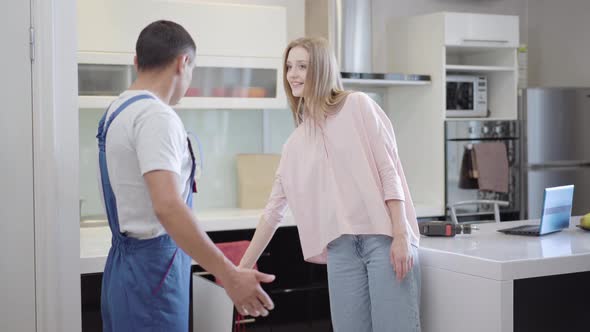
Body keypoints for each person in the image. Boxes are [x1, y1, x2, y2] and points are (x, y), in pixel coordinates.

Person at [97, 20, 274, 331]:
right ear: (184, 62)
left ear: (137, 62)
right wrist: (229, 274)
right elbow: (168, 206)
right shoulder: (157, 116)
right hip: (154, 276)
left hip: (125, 271)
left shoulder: (117, 110)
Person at [239, 36, 422, 332]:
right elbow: (273, 211)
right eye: (289, 67)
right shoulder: (295, 143)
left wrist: (401, 234)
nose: (293, 74)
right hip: (341, 250)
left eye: (302, 66)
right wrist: (241, 269)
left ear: (322, 69)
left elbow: (390, 172)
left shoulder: (358, 106)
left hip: (383, 240)